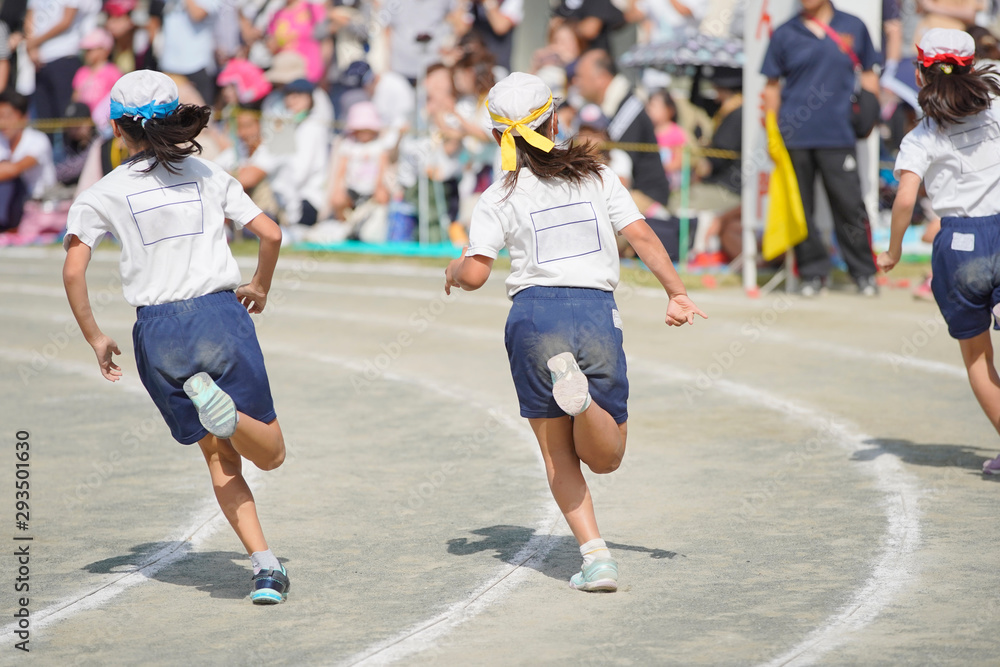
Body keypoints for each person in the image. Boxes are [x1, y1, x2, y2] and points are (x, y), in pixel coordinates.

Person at [444, 72, 706, 591]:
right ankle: (584, 404)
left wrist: (453, 270)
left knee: (557, 454)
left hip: (534, 317)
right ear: (555, 120)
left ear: (499, 137)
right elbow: (642, 234)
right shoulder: (597, 175)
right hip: (595, 313)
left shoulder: (498, 194)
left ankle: (596, 558)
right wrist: (675, 292)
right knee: (607, 457)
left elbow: (475, 273)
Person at [61, 70, 290, 604]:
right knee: (271, 454)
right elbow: (272, 233)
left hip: (157, 333)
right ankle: (229, 416)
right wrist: (259, 284)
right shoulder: (209, 173)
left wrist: (95, 336)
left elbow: (73, 271)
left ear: (119, 128)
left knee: (218, 459)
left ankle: (265, 568)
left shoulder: (103, 192)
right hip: (217, 314)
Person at [879, 29, 1000, 471]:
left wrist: (893, 251)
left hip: (960, 246)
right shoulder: (997, 104)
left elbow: (906, 198)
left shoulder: (921, 135)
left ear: (918, 73)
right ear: (970, 67)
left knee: (977, 355)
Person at [762, 0, 881, 296]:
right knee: (800, 208)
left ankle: (864, 272)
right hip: (794, 134)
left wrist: (869, 113)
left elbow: (869, 73)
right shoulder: (784, 32)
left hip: (838, 133)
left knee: (849, 204)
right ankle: (812, 274)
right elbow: (772, 87)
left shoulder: (852, 25)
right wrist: (771, 135)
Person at [573, 49, 680, 257]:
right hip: (622, 191)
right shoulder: (603, 106)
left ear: (601, 78)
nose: (576, 82)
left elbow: (616, 173)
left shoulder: (628, 108)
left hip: (644, 196)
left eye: (581, 77)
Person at [0, 90, 56, 231]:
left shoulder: (38, 140)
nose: (2, 123)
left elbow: (13, 170)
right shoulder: (2, 141)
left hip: (40, 205)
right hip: (17, 206)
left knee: (8, 183)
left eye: (6, 116)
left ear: (24, 117)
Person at [73, 28, 122, 113]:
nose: (88, 53)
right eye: (86, 50)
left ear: (105, 50)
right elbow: (76, 96)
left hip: (105, 120)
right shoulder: (82, 72)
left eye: (91, 50)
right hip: (85, 119)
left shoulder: (113, 71)